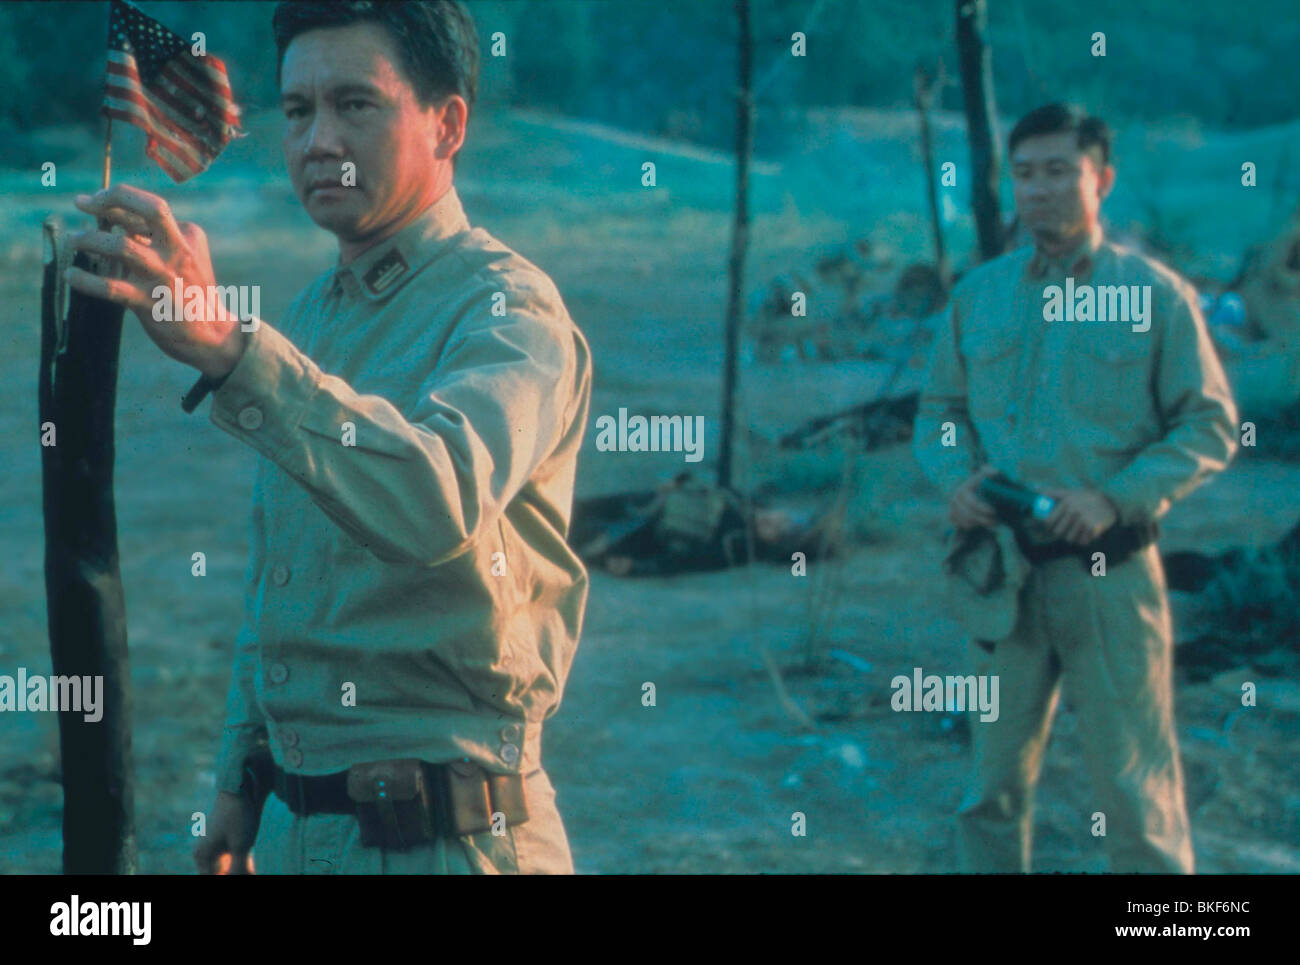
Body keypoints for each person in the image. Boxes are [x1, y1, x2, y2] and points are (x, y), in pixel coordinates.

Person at [67, 0, 592, 875]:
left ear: (447, 122)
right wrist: (241, 776)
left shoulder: (509, 309)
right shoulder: (311, 318)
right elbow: (283, 582)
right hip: (302, 831)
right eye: (300, 110)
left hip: (452, 841)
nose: (318, 141)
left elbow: (435, 500)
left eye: (357, 104)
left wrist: (233, 349)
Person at [912, 103, 1237, 873]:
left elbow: (1209, 425)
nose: (1039, 189)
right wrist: (956, 482)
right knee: (988, 792)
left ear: (1103, 180)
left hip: (1111, 582)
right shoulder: (979, 297)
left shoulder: (1156, 297)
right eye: (1024, 174)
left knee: (1136, 795)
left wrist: (1115, 497)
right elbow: (940, 412)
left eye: (1060, 171)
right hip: (1002, 579)